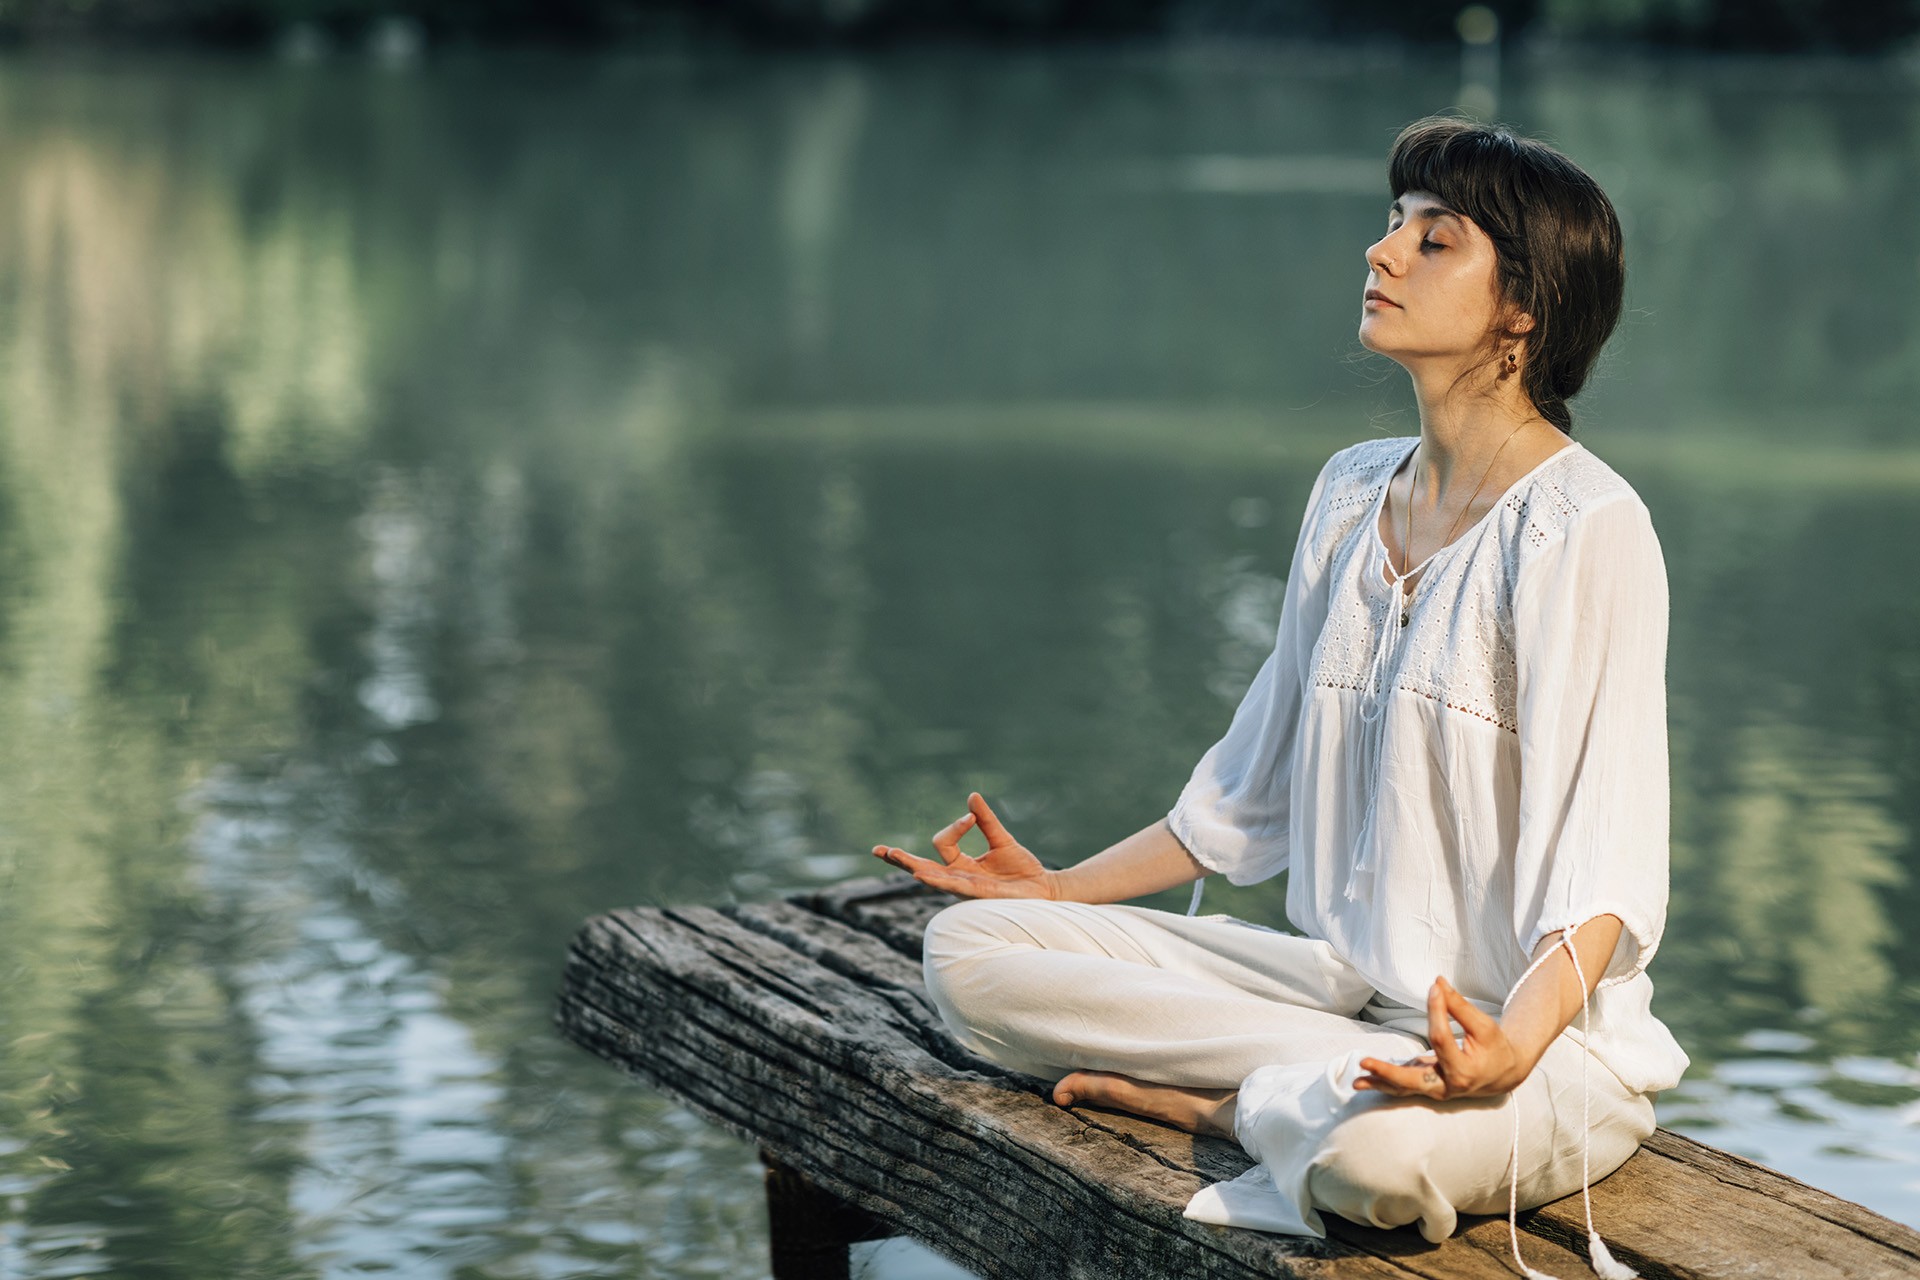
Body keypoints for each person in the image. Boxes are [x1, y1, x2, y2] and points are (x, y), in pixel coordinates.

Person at [870, 114, 1688, 1280]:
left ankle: (1225, 1107)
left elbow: (1604, 878)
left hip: (1534, 1044)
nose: (1382, 252)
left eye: (1434, 239)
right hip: (1337, 998)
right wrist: (1059, 888)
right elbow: (1245, 796)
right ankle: (1297, 1091)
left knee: (1381, 1171)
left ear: (1523, 309)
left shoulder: (1585, 528)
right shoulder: (1353, 492)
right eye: (1393, 224)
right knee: (969, 951)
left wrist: (1507, 1050)